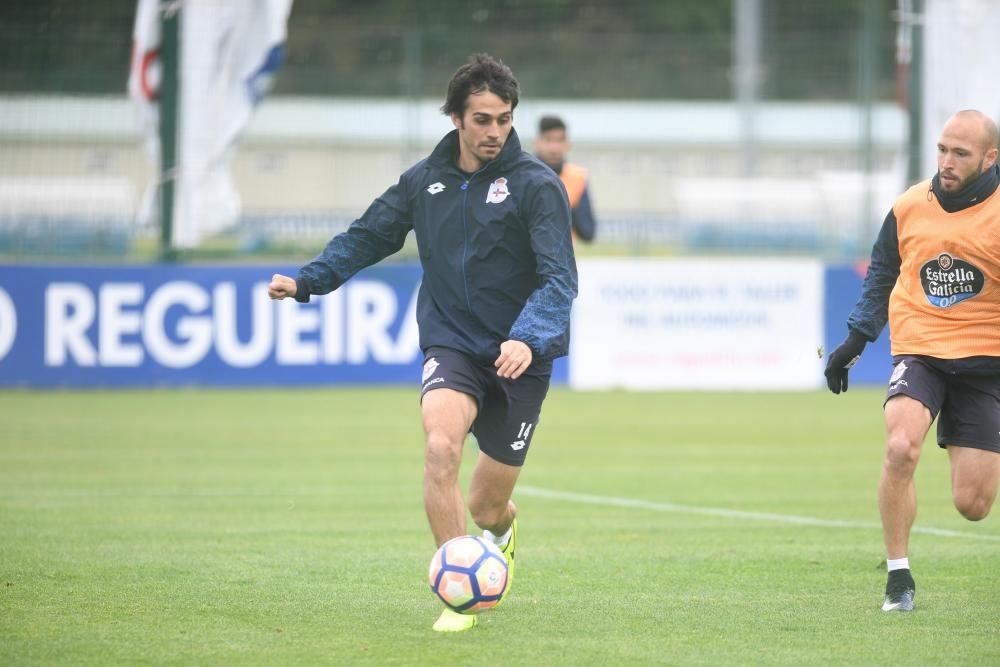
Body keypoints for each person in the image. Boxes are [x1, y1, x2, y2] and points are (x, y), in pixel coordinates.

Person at [268, 53, 578, 632]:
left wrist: (530, 338)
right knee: (440, 449)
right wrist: (308, 281)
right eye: (482, 119)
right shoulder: (423, 182)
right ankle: (459, 594)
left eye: (504, 119)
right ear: (457, 119)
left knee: (487, 504)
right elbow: (368, 236)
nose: (494, 131)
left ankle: (501, 534)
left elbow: (560, 278)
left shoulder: (537, 185)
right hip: (452, 342)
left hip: (521, 358)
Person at [825, 109, 1000, 612]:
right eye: (942, 149)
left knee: (973, 505)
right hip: (920, 348)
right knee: (901, 447)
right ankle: (898, 579)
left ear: (990, 158)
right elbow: (883, 271)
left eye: (960, 154)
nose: (946, 162)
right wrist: (855, 341)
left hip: (985, 362)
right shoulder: (909, 205)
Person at [534, 115, 597, 243]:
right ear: (537, 143)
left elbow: (588, 232)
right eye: (548, 140)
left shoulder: (577, 177)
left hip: (563, 259)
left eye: (560, 140)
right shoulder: (521, 175)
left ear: (568, 144)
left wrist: (563, 207)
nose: (554, 148)